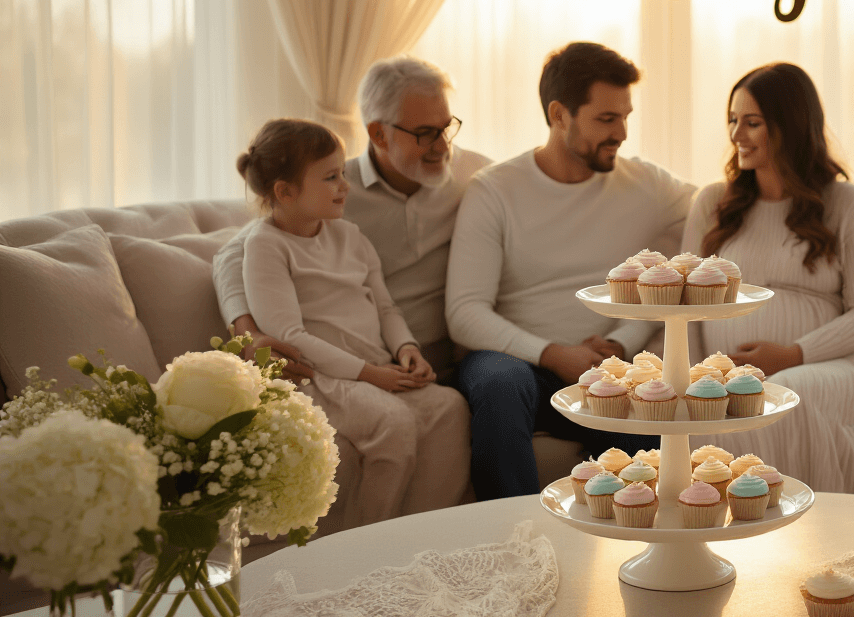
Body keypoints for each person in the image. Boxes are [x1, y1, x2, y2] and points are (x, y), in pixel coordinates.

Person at [445, 42, 695, 499]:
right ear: (560, 114)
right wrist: (553, 353)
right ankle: (513, 540)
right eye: (606, 119)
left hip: (606, 363)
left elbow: (724, 206)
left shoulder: (648, 186)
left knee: (645, 396)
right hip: (518, 363)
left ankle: (642, 541)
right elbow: (464, 312)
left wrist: (621, 341)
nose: (621, 132)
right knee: (501, 383)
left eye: (625, 117)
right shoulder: (495, 190)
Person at [233, 118, 468, 526]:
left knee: (449, 406)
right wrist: (373, 376)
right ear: (284, 192)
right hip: (321, 377)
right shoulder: (265, 246)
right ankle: (366, 541)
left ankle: (425, 531)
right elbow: (289, 336)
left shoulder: (351, 236)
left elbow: (386, 309)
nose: (345, 185)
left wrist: (407, 350)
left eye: (342, 173)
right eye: (330, 177)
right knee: (391, 422)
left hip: (373, 364)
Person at [680, 62, 854, 494]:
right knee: (708, 408)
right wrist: (695, 376)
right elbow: (683, 304)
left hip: (837, 366)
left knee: (779, 395)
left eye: (752, 122)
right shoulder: (713, 205)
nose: (736, 134)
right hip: (742, 374)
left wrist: (792, 354)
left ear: (791, 127)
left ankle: (795, 533)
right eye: (733, 120)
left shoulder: (843, 203)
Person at [214, 57, 493, 383]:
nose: (442, 146)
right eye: (425, 133)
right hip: (367, 361)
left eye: (447, 127)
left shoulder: (477, 176)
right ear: (378, 134)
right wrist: (249, 336)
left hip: (463, 355)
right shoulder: (329, 190)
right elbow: (231, 256)